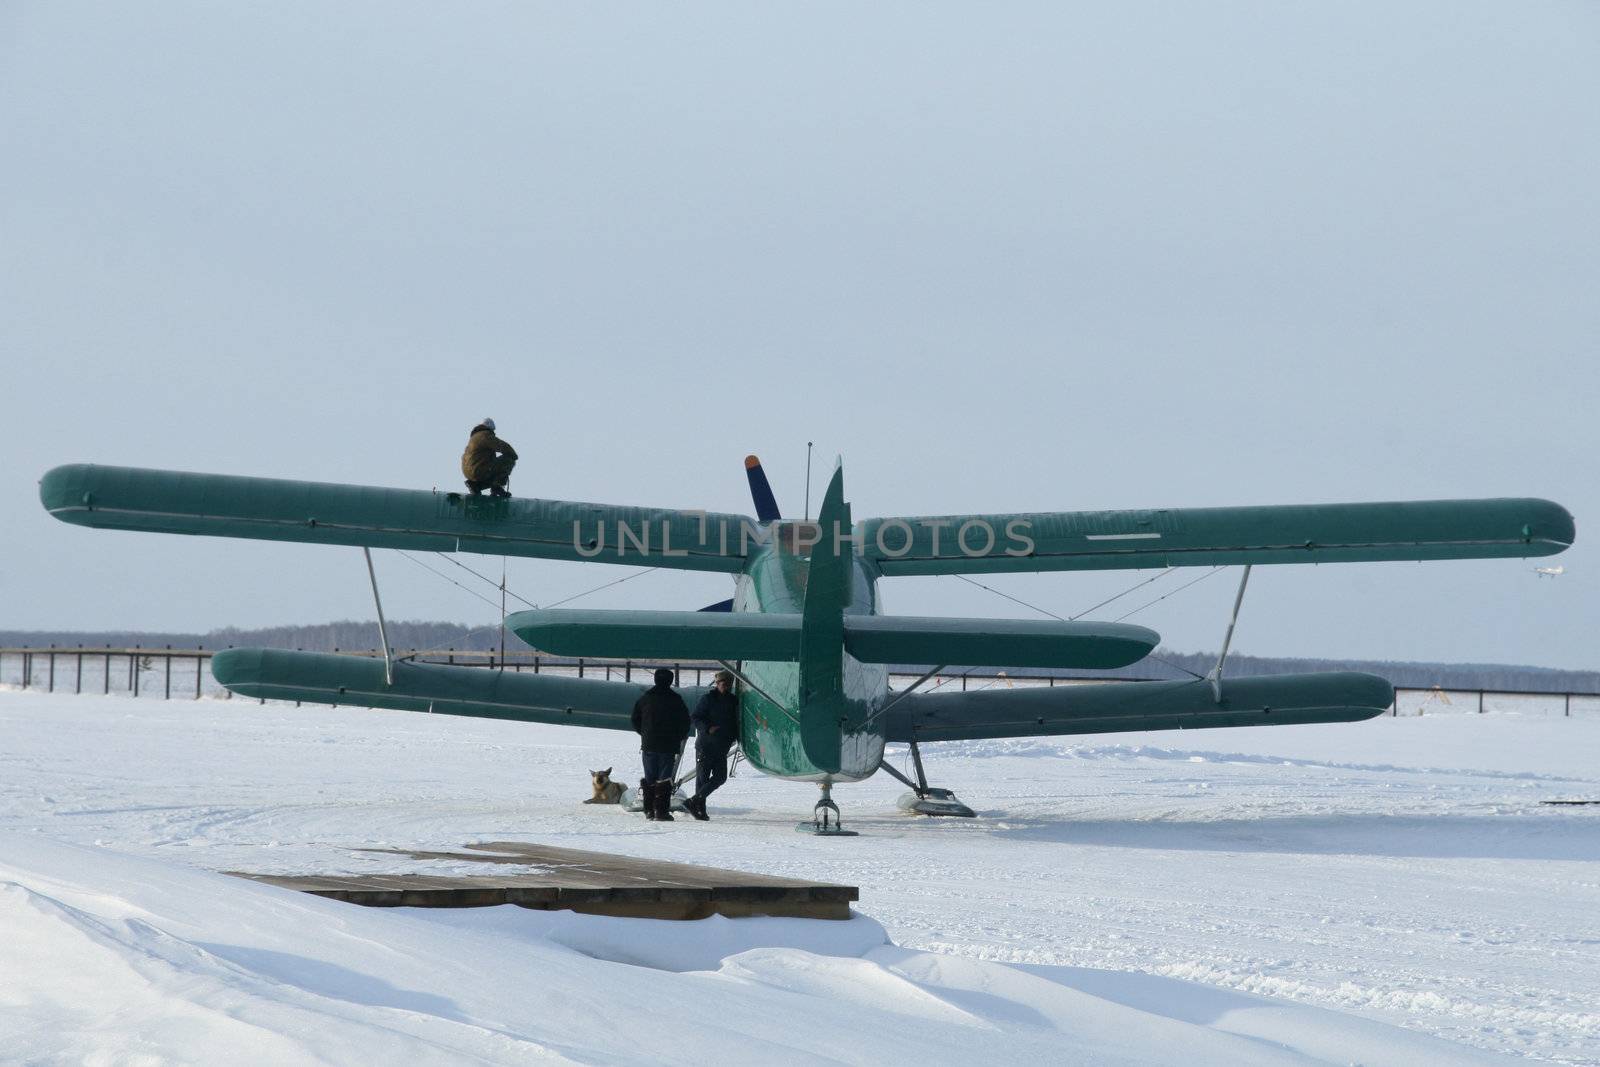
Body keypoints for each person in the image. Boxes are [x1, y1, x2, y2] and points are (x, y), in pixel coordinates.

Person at [630, 668, 690, 822]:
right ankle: (661, 812)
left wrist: (644, 733)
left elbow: (635, 718)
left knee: (650, 778)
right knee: (664, 780)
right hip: (668, 746)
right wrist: (679, 737)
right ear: (670, 681)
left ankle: (649, 810)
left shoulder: (646, 698)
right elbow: (685, 722)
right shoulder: (676, 699)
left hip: (649, 744)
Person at [687, 669, 739, 820]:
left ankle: (693, 801)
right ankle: (699, 810)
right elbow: (696, 717)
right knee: (702, 778)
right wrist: (707, 728)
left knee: (720, 777)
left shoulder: (733, 700)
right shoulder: (707, 699)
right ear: (717, 684)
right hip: (706, 745)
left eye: (728, 683)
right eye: (722, 683)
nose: (725, 686)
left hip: (722, 746)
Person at [461, 418, 518, 498]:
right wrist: (513, 455)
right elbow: (501, 445)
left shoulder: (474, 438)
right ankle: (497, 487)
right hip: (478, 470)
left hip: (470, 471)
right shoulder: (485, 435)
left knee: (492, 471)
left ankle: (476, 485)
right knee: (508, 460)